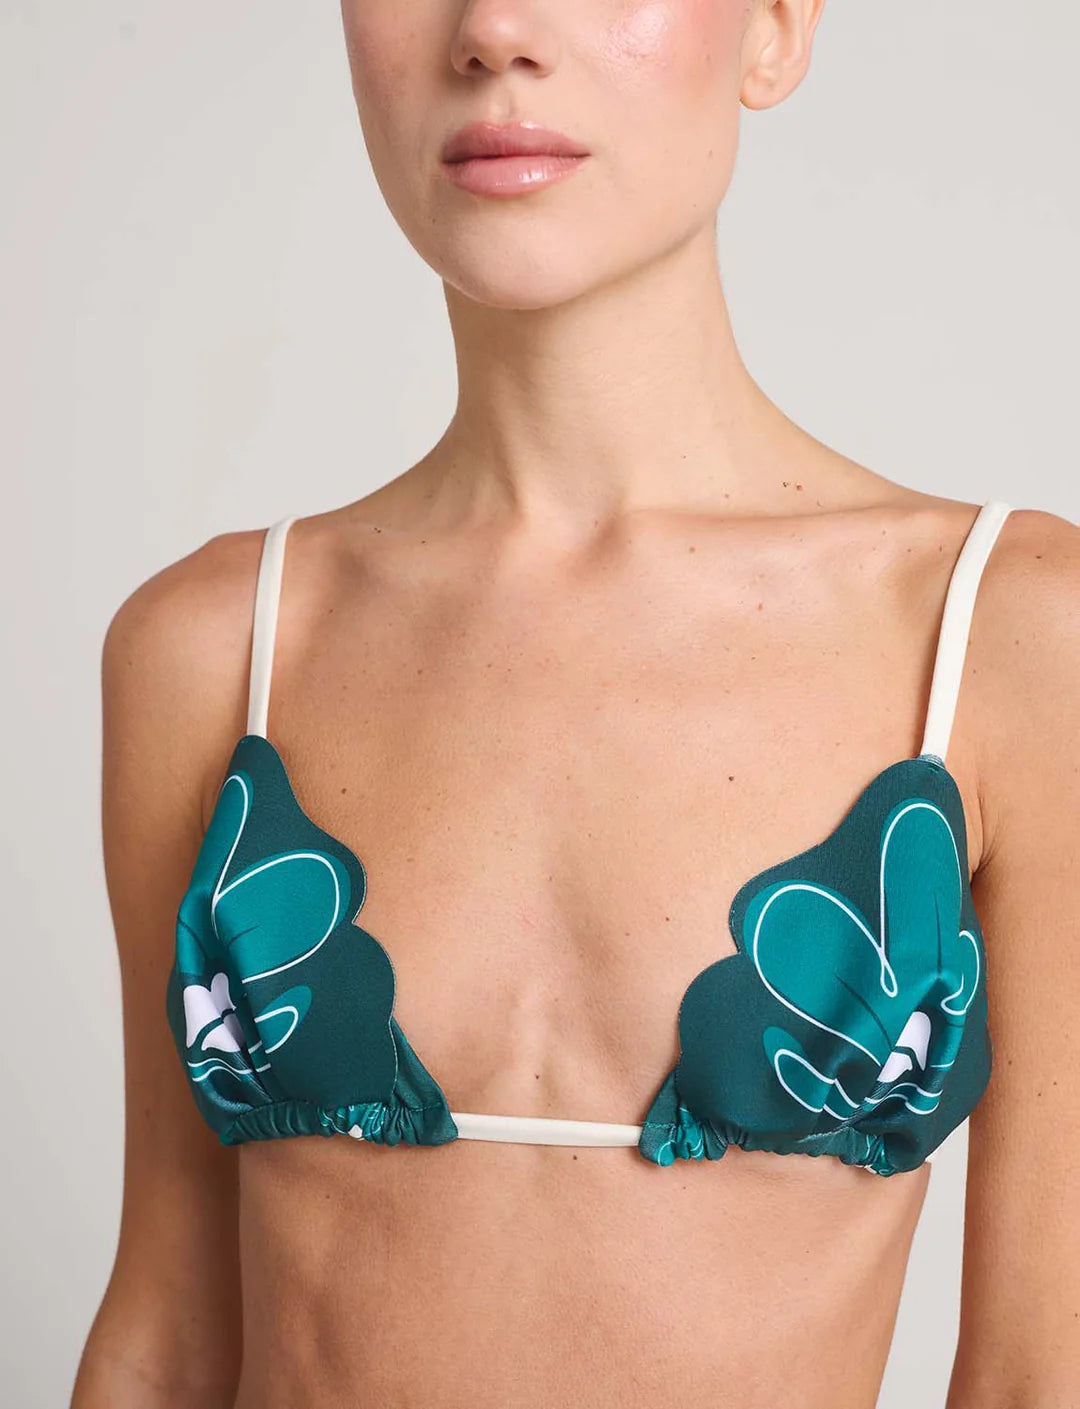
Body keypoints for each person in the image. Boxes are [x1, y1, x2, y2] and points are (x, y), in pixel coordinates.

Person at [73, 1, 1079, 1406]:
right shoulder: (210, 647)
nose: (493, 30)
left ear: (776, 28)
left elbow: (1040, 1372)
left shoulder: (1005, 631)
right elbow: (165, 1337)